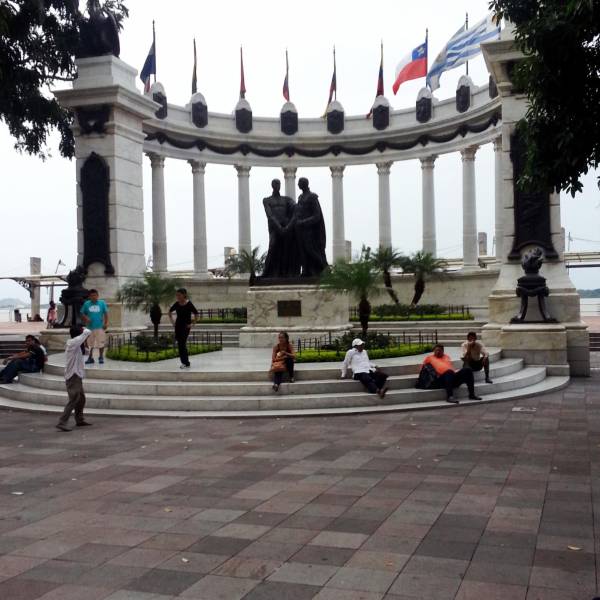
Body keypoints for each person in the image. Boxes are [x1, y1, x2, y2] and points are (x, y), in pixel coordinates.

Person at [56, 326, 93, 431]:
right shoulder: (72, 343)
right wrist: (84, 329)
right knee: (74, 399)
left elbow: (86, 352)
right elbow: (87, 332)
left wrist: (85, 341)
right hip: (72, 376)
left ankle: (79, 419)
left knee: (81, 399)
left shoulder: (77, 345)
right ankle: (62, 422)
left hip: (77, 375)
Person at [262, 179, 300, 278]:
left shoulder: (286, 199)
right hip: (274, 228)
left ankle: (285, 272)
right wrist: (279, 228)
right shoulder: (267, 200)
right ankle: (266, 272)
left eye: (278, 184)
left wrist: (288, 226)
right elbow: (270, 215)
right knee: (273, 247)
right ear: (272, 185)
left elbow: (296, 207)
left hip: (286, 227)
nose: (277, 185)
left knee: (286, 249)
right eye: (275, 184)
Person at [295, 177, 328, 277]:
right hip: (300, 230)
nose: (298, 184)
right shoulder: (300, 197)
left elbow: (317, 215)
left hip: (310, 231)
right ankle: (306, 271)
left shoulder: (312, 197)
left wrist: (303, 222)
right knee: (302, 251)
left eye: (299, 182)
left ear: (304, 184)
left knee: (312, 250)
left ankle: (325, 268)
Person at [168, 288, 199, 369]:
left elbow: (196, 314)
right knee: (180, 344)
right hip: (178, 326)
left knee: (182, 343)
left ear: (184, 295)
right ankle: (185, 363)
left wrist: (192, 324)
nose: (177, 297)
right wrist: (173, 322)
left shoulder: (189, 304)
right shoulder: (177, 304)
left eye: (179, 295)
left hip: (186, 327)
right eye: (177, 295)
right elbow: (169, 312)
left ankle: (185, 362)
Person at [80, 289, 109, 365]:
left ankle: (101, 357)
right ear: (89, 296)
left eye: (95, 295)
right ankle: (90, 357)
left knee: (101, 342)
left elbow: (106, 313)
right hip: (89, 327)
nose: (94, 297)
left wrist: (106, 323)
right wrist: (86, 318)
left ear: (98, 295)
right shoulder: (86, 304)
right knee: (90, 343)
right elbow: (82, 313)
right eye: (92, 295)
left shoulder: (102, 303)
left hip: (100, 327)